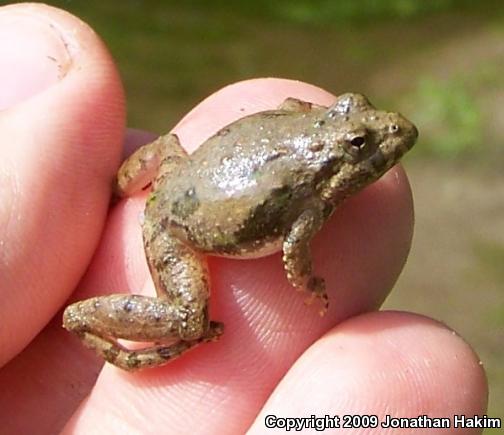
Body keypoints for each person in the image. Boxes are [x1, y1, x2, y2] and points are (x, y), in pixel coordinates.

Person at [0, 3, 487, 434]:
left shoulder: (309, 135)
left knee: (168, 144)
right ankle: (106, 335)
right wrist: (311, 285)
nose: (389, 131)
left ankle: (116, 192)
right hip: (178, 233)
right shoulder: (314, 201)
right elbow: (295, 253)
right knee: (191, 319)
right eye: (361, 144)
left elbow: (291, 107)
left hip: (178, 168)